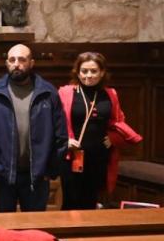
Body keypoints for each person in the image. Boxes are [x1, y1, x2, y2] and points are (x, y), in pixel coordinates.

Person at [0, 43, 67, 212]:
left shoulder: (48, 93)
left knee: (34, 229)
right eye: (12, 60)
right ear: (6, 63)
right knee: (3, 230)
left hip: (37, 177)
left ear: (32, 63)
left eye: (22, 59)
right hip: (2, 176)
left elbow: (60, 136)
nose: (16, 64)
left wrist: (50, 170)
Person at [58, 52, 142, 210]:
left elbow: (118, 122)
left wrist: (113, 138)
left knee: (91, 200)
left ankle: (89, 233)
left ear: (102, 72)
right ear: (77, 71)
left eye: (94, 71)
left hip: (99, 156)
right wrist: (65, 140)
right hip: (73, 156)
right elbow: (55, 122)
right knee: (71, 201)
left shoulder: (111, 94)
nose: (88, 75)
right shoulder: (66, 93)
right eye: (84, 71)